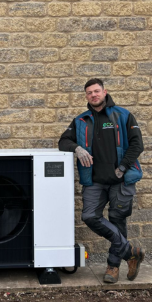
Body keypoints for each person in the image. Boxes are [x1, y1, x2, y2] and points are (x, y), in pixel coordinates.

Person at [59, 78, 145, 283]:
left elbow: (137, 145)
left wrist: (123, 167)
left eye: (96, 91)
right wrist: (77, 148)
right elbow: (63, 140)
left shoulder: (123, 115)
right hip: (94, 180)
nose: (93, 95)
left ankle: (113, 267)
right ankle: (130, 252)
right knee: (89, 216)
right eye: (89, 92)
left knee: (117, 220)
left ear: (105, 92)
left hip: (120, 180)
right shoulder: (81, 120)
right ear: (86, 96)